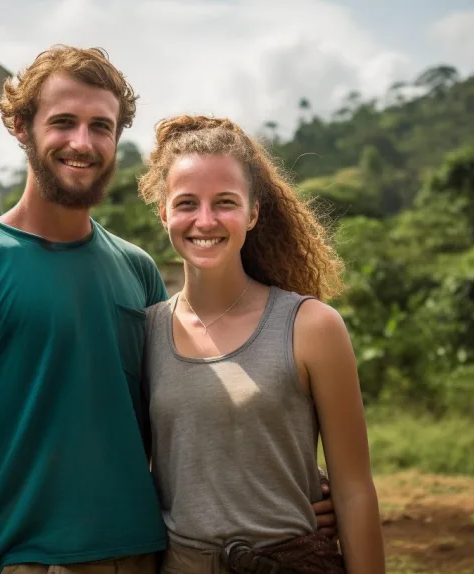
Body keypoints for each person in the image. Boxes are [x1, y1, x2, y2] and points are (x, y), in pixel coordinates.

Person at [0, 45, 337, 574]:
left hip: (146, 555)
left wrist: (292, 491)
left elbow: (181, 423)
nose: (82, 143)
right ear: (20, 126)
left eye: (100, 126)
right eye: (63, 122)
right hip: (27, 561)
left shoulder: (137, 271)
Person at [137, 115, 385, 574]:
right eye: (187, 202)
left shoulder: (311, 326)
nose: (205, 220)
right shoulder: (145, 332)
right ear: (164, 212)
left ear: (252, 212)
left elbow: (353, 489)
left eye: (225, 202)